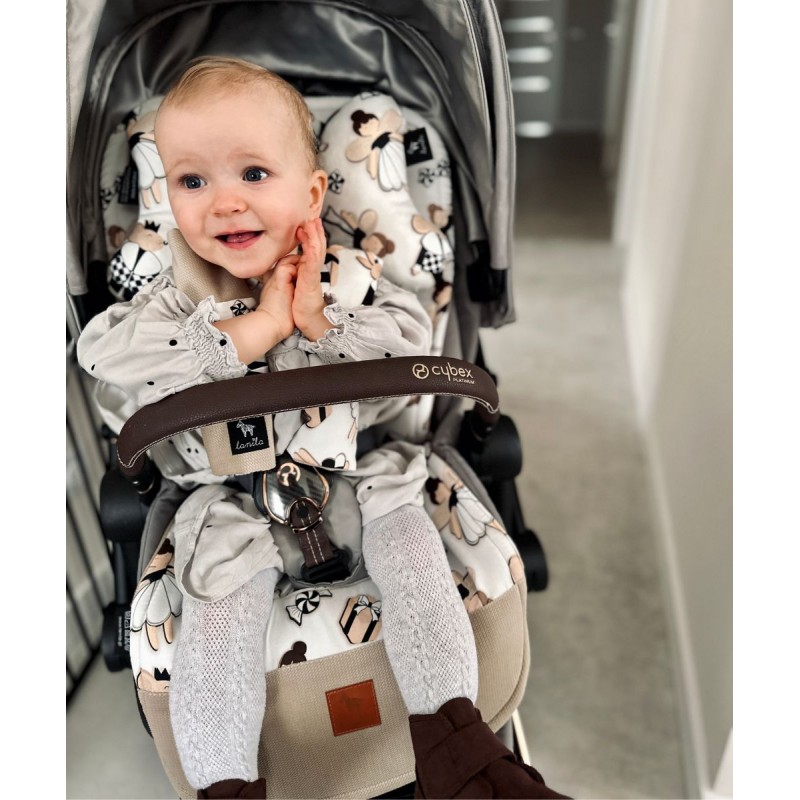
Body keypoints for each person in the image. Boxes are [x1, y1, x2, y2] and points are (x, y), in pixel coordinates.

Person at [78, 57, 569, 800]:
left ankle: (456, 745)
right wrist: (251, 332)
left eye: (253, 174)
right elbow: (103, 356)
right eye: (192, 181)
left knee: (412, 544)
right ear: (169, 197)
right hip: (230, 498)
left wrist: (318, 321)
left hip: (362, 469)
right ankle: (227, 784)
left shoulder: (345, 276)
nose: (225, 203)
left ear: (311, 193)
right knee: (216, 609)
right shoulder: (171, 302)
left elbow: (414, 342)